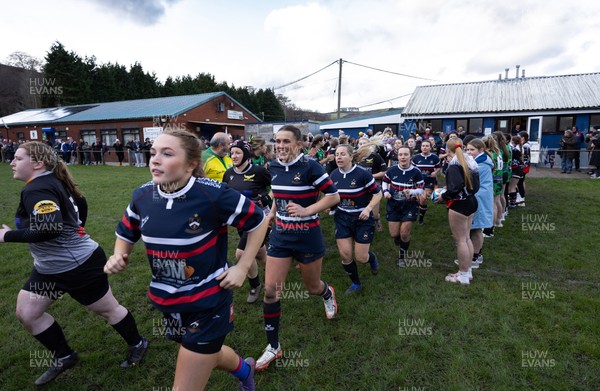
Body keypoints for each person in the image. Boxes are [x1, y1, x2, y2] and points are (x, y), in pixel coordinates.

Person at [105, 129, 268, 390]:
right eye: (153, 153)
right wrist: (118, 255)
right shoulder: (143, 195)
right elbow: (126, 231)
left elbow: (259, 220)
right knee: (207, 353)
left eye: (167, 154)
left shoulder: (213, 195)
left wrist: (243, 266)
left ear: (191, 164)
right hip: (169, 300)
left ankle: (243, 371)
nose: (155, 159)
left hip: (209, 301)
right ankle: (245, 370)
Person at [0, 142, 148, 386]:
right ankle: (64, 356)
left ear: (37, 163)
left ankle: (138, 343)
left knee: (108, 309)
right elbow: (80, 206)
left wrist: (7, 236)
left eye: (17, 158)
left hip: (79, 267)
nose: (11, 162)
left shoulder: (37, 189)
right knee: (27, 313)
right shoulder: (49, 183)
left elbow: (49, 227)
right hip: (49, 269)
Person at [256, 125, 340, 371]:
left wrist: (306, 210)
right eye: (277, 141)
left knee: (312, 287)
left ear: (300, 144)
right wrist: (272, 214)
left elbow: (333, 197)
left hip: (307, 237)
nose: (280, 145)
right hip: (281, 236)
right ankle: (273, 346)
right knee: (271, 290)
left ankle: (327, 293)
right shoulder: (272, 167)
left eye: (286, 141)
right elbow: (279, 197)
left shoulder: (311, 166)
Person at [223, 140, 272, 304]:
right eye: (232, 152)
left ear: (246, 154)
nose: (233, 156)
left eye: (238, 152)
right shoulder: (228, 173)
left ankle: (254, 285)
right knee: (259, 253)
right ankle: (274, 274)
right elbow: (224, 194)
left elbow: (277, 187)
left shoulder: (259, 172)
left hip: (259, 220)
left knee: (242, 253)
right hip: (240, 220)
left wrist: (267, 198)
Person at [330, 144, 382, 294]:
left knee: (361, 257)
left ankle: (372, 259)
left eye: (342, 154)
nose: (338, 157)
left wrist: (368, 208)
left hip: (362, 219)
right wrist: (330, 206)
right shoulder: (334, 174)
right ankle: (356, 284)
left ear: (351, 157)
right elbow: (332, 196)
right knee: (345, 255)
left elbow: (378, 194)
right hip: (342, 218)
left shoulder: (362, 174)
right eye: (337, 154)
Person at [433, 138, 479, 284]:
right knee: (466, 238)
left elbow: (455, 187)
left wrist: (443, 196)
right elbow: (473, 185)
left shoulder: (454, 165)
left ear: (447, 150)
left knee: (460, 241)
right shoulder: (470, 161)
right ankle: (467, 270)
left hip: (459, 204)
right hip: (471, 200)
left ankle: (463, 274)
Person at [382, 145, 424, 267]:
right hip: (393, 204)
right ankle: (398, 239)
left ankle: (402, 257)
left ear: (411, 156)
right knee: (394, 234)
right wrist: (385, 192)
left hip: (409, 205)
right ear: (397, 156)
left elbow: (421, 189)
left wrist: (412, 192)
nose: (403, 157)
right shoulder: (392, 170)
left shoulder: (416, 172)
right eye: (400, 154)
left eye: (406, 154)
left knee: (404, 233)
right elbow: (385, 181)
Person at [465, 139, 494, 270]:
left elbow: (473, 183)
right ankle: (476, 254)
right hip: (479, 197)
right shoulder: (479, 161)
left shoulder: (481, 164)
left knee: (476, 229)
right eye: (467, 150)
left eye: (472, 150)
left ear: (481, 150)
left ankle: (475, 257)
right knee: (473, 228)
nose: (469, 152)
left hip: (479, 199)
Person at [356, 137, 387, 232]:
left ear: (370, 146)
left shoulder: (376, 156)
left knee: (375, 213)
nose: (362, 145)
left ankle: (377, 219)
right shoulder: (355, 157)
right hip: (359, 187)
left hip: (374, 187)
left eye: (365, 143)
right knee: (360, 209)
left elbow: (384, 172)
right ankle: (364, 230)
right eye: (360, 144)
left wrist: (370, 176)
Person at [412, 139, 441, 225]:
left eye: (427, 146)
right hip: (417, 183)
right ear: (421, 147)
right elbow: (412, 169)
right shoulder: (416, 157)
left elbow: (439, 167)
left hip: (429, 182)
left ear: (430, 147)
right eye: (423, 146)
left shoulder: (434, 157)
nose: (425, 148)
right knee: (417, 200)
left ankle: (420, 219)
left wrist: (435, 172)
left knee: (423, 199)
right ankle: (416, 213)